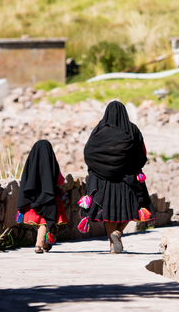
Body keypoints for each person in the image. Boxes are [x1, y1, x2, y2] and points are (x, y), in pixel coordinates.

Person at [80, 101, 154, 254]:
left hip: (103, 179)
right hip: (127, 177)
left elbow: (89, 151)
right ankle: (118, 232)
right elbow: (141, 153)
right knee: (133, 207)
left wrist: (99, 167)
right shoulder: (132, 129)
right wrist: (132, 165)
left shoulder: (100, 129)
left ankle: (112, 245)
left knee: (108, 212)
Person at [16, 140, 67, 253]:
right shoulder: (52, 164)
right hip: (48, 198)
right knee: (45, 221)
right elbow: (60, 181)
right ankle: (39, 245)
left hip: (32, 199)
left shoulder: (30, 163)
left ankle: (44, 245)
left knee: (41, 223)